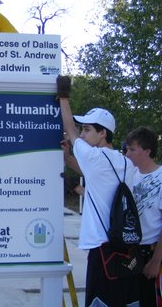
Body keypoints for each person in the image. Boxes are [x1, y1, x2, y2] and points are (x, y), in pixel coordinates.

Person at [56, 75, 139, 307]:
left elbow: (69, 129)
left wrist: (63, 96)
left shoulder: (94, 156)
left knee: (99, 301)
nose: (82, 135)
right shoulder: (125, 163)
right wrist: (68, 158)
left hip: (101, 248)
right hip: (124, 245)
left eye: (87, 129)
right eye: (83, 129)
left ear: (103, 133)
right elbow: (90, 174)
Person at [125, 126, 162, 306]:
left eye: (132, 149)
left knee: (150, 301)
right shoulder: (129, 174)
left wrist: (156, 261)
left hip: (149, 251)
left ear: (147, 151)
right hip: (128, 250)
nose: (127, 153)